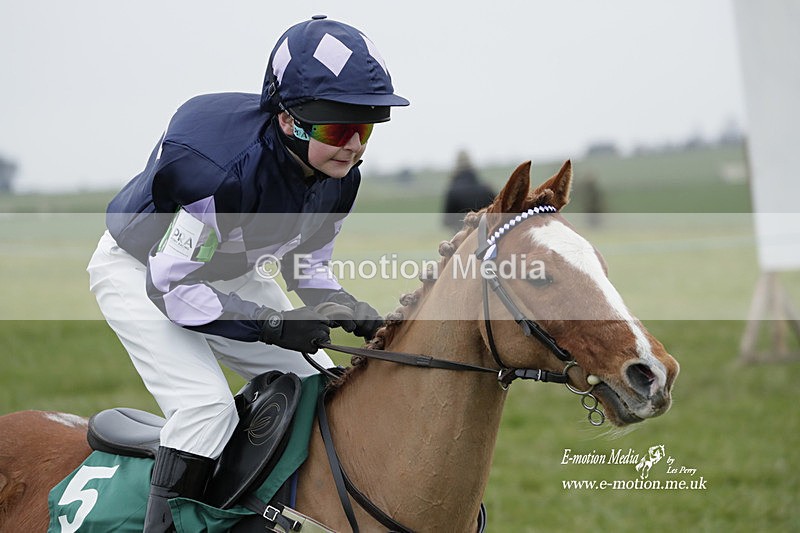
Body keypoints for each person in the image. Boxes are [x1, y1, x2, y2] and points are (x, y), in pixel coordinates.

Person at [86, 15, 408, 532]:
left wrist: (345, 306)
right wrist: (273, 324)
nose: (353, 146)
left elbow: (306, 268)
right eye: (337, 129)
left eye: (364, 129)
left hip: (224, 271)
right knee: (206, 409)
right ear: (288, 121)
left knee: (322, 387)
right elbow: (171, 286)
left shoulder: (340, 179)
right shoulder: (218, 172)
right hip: (142, 272)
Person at [442, 150, 495, 232]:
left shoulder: (453, 191)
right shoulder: (486, 189)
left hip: (462, 239)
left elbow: (446, 221)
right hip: (486, 237)